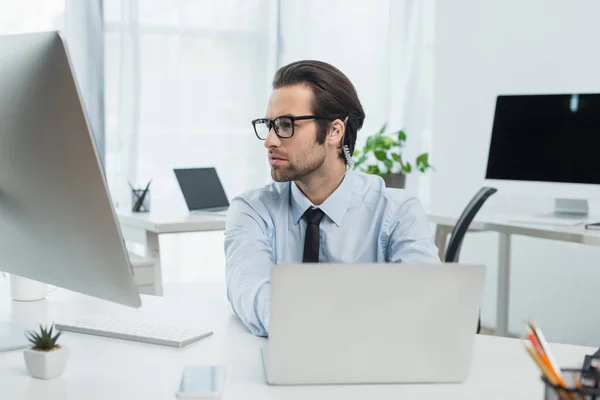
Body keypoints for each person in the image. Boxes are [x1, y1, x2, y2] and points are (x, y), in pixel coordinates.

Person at [224, 60, 440, 337]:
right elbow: (251, 294)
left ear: (335, 131)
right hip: (277, 365)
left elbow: (427, 302)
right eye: (269, 125)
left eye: (286, 125)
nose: (270, 141)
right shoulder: (253, 210)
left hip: (372, 369)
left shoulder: (397, 213)